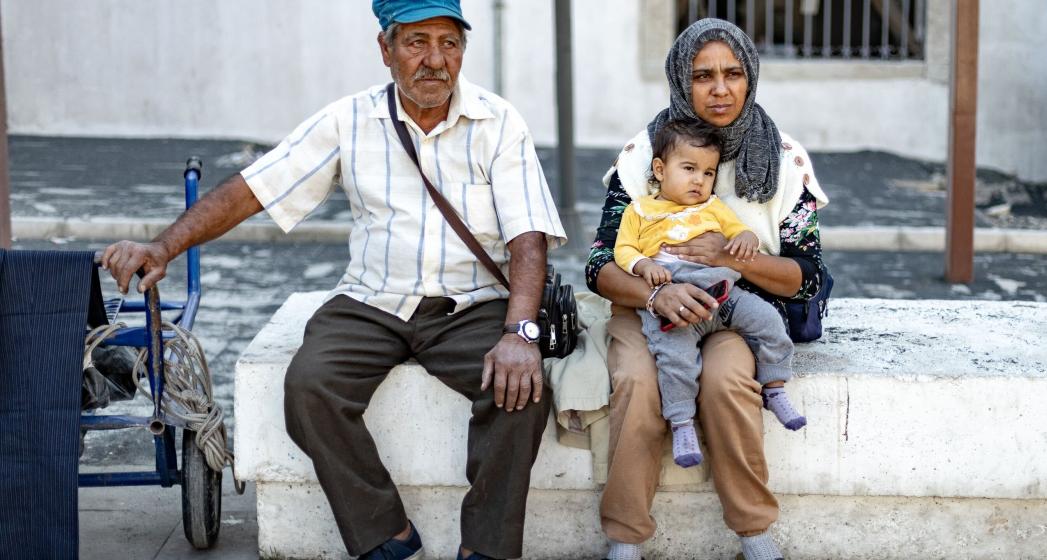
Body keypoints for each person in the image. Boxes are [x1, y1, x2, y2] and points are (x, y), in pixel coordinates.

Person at [102, 2, 566, 559]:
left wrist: (520, 332)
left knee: (520, 394)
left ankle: (485, 549)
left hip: (471, 304)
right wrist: (163, 245)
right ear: (385, 48)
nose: (436, 60)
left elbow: (527, 239)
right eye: (417, 42)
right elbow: (255, 189)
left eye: (449, 42)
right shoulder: (349, 120)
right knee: (309, 387)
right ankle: (386, 536)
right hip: (371, 300)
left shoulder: (499, 121)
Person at [585, 18, 829, 560]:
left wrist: (726, 256)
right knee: (637, 383)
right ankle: (625, 537)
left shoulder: (785, 161)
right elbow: (600, 261)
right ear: (680, 80)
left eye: (733, 73)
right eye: (702, 76)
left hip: (732, 309)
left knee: (724, 381)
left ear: (751, 77)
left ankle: (754, 532)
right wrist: (654, 295)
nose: (720, 89)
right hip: (648, 307)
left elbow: (805, 274)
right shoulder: (643, 154)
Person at [613, 119, 805, 469]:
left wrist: (747, 239)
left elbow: (738, 231)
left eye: (707, 172)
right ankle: (682, 422)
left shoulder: (712, 207)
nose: (699, 180)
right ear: (660, 169)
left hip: (723, 293)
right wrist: (643, 266)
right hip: (672, 299)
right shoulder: (639, 211)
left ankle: (774, 386)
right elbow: (622, 251)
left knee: (767, 320)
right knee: (674, 358)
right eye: (689, 169)